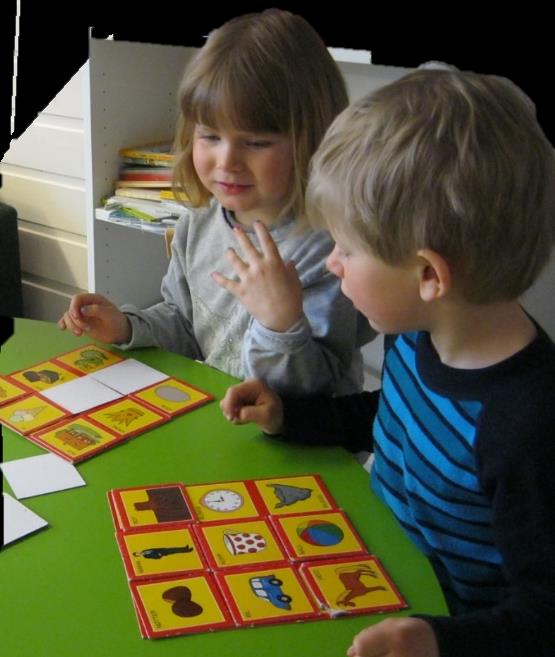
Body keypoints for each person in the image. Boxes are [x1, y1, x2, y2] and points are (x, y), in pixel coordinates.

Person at [220, 69, 555, 657]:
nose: (331, 265)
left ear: (429, 275)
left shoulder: (527, 429)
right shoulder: (419, 335)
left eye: (347, 249)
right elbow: (391, 414)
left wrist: (436, 639)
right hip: (374, 579)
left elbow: (543, 615)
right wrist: (290, 418)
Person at [58, 9, 372, 396]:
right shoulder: (200, 219)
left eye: (255, 142)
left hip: (307, 446)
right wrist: (126, 326)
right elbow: (183, 321)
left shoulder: (329, 250)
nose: (226, 162)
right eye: (209, 136)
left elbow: (319, 386)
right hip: (226, 426)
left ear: (311, 140)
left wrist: (282, 325)